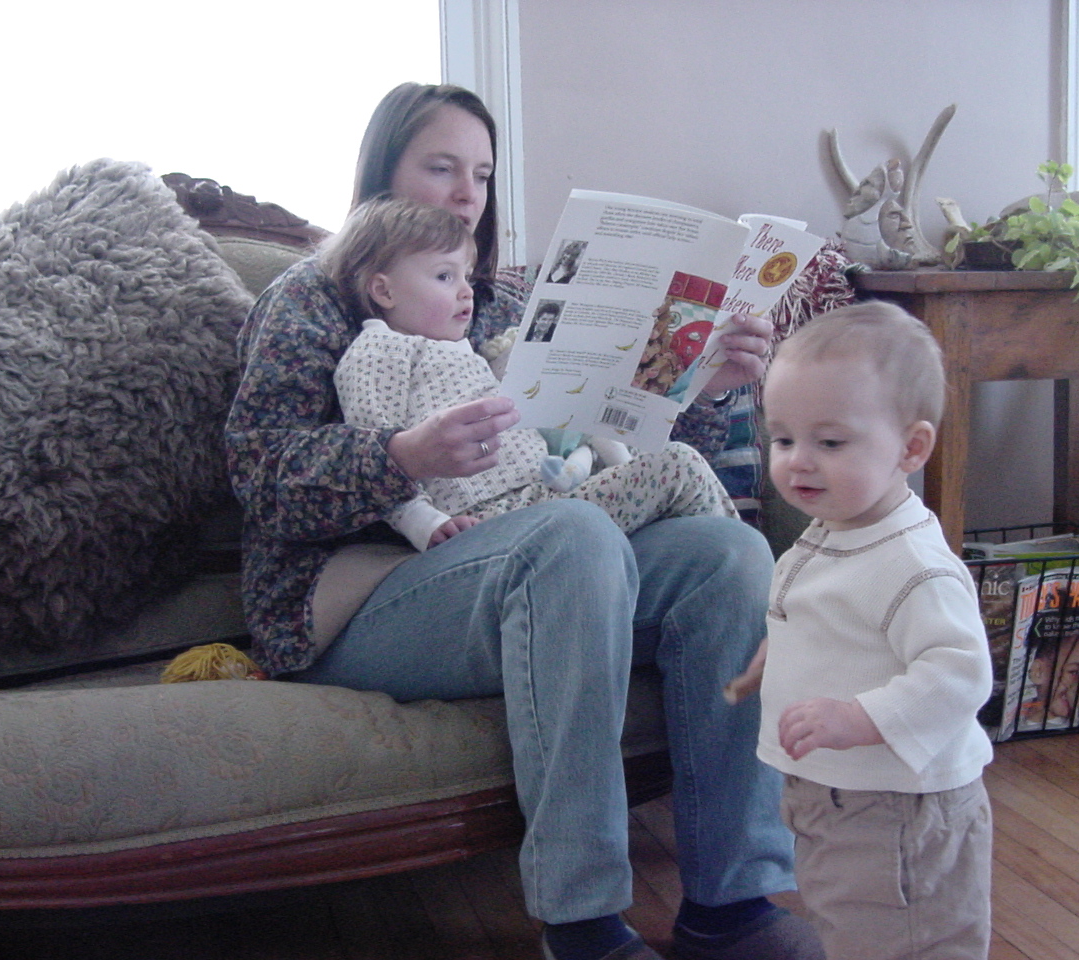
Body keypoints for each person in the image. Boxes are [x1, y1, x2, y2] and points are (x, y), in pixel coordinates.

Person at [226, 81, 821, 960]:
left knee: (726, 553)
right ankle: (583, 925)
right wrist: (403, 456)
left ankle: (731, 905)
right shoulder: (311, 301)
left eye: (482, 175)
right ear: (383, 173)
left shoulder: (504, 309)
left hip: (534, 554)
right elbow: (260, 475)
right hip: (361, 597)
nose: (467, 194)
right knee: (573, 539)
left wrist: (703, 388)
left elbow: (603, 444)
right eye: (442, 168)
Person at [726, 301, 994, 960]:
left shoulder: (913, 566)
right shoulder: (838, 528)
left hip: (896, 810)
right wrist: (777, 656)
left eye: (830, 442)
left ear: (911, 447)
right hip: (838, 797)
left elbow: (960, 672)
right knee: (849, 930)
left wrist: (861, 718)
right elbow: (829, 618)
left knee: (902, 942)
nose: (798, 462)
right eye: (783, 439)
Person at [325, 196, 739, 552]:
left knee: (677, 482)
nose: (466, 290)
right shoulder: (379, 348)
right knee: (678, 465)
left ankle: (742, 579)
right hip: (491, 516)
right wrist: (424, 523)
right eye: (444, 276)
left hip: (546, 494)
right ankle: (764, 598)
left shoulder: (467, 351)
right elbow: (375, 453)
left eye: (466, 276)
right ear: (385, 291)